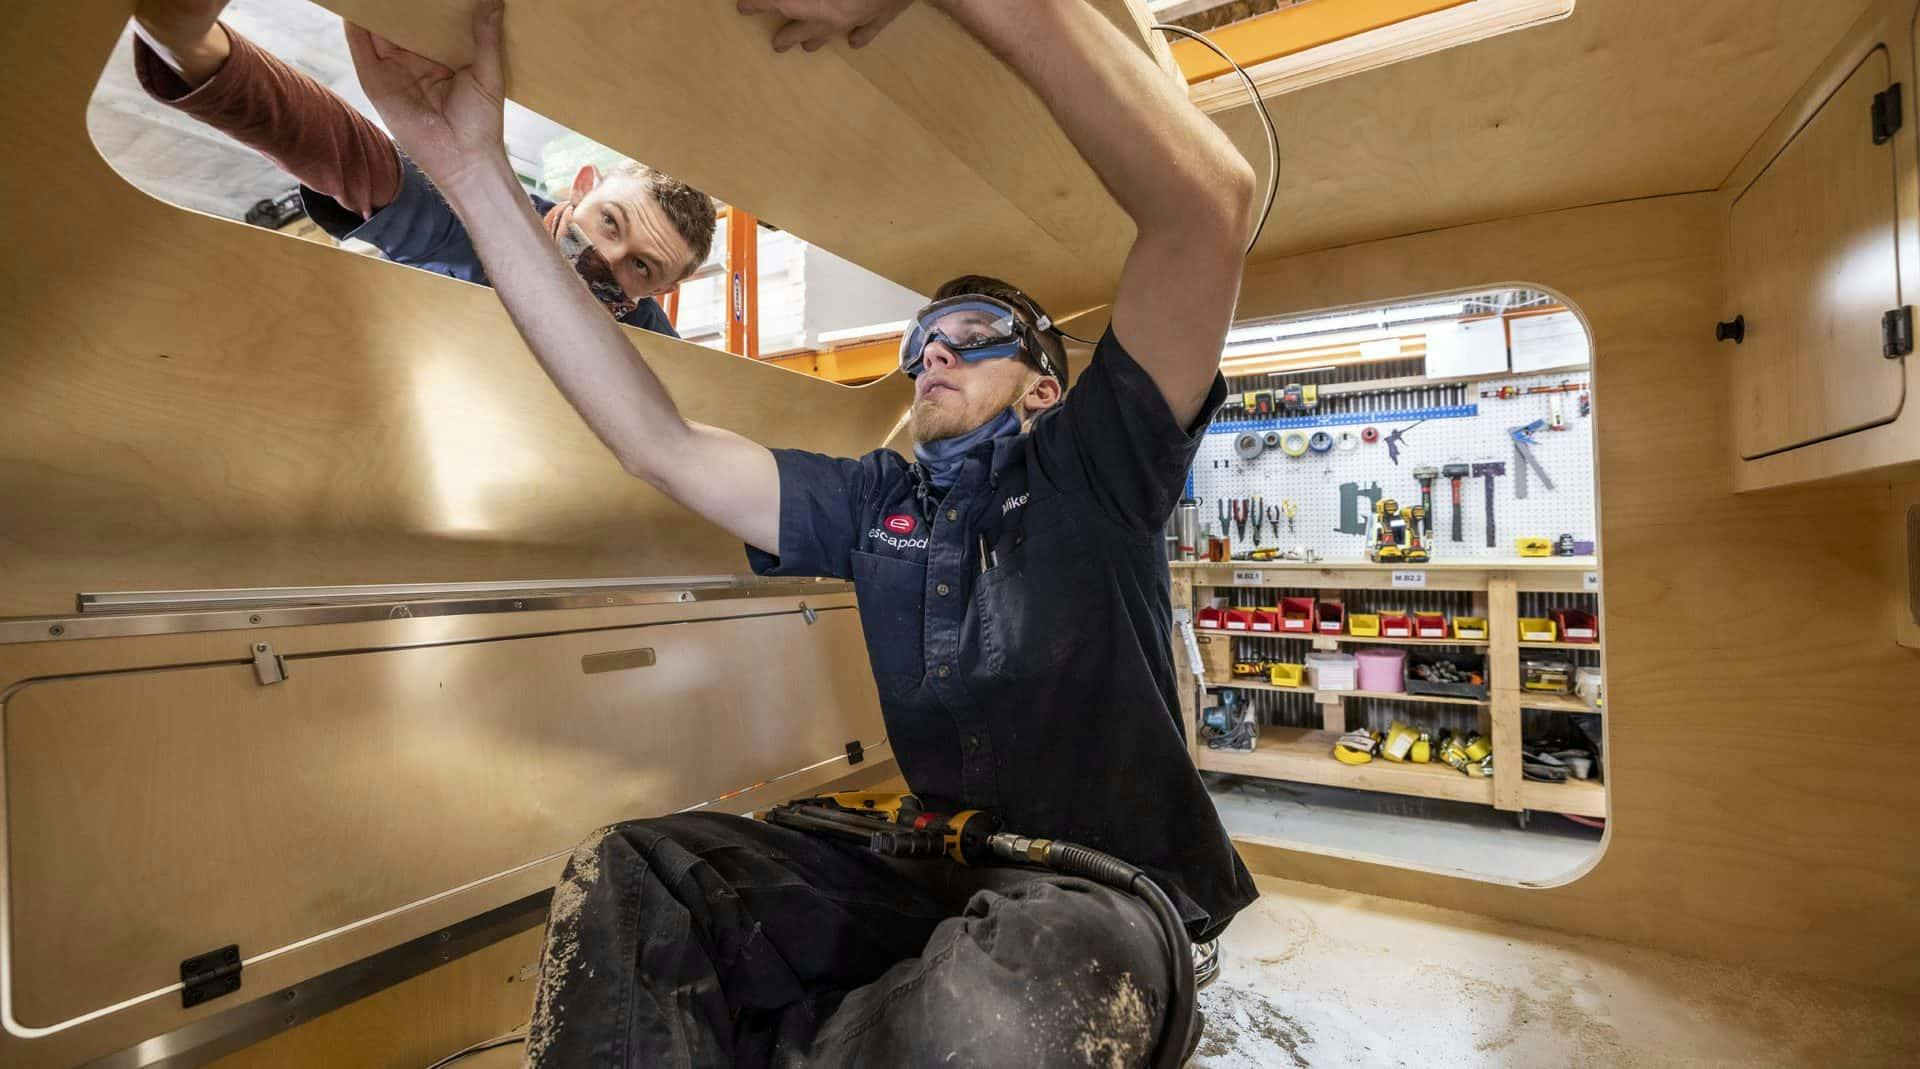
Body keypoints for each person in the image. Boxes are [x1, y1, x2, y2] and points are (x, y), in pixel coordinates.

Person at [349, 0, 1259, 1063]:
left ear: (1047, 390)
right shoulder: (880, 502)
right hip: (938, 871)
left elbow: (1208, 208)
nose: (934, 356)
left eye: (975, 339)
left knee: (996, 1003)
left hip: (1106, 894)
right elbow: (660, 444)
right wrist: (470, 173)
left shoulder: (1099, 465)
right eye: (923, 342)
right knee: (641, 876)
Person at [128, 0, 715, 335]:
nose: (603, 259)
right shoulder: (479, 226)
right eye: (609, 223)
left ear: (665, 288)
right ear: (580, 188)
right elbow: (354, 158)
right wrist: (193, 47)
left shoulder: (656, 341)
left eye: (640, 264)